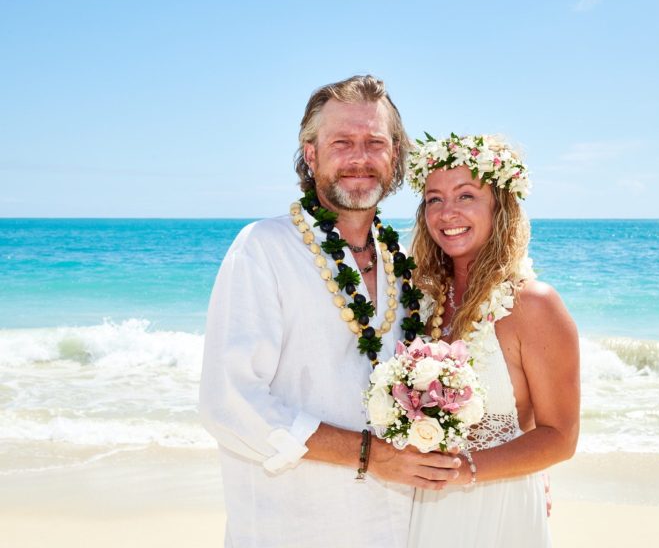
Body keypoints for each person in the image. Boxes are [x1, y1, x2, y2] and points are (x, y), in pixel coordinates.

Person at [198, 76, 461, 548]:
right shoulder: (263, 249)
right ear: (312, 153)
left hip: (397, 524)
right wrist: (370, 455)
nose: (359, 157)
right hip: (294, 523)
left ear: (395, 155)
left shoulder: (407, 257)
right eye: (342, 142)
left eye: (375, 142)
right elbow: (229, 403)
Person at [405, 133, 580, 547]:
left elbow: (561, 437)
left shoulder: (533, 304)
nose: (447, 213)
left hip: (499, 512)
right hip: (422, 507)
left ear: (499, 206)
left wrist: (466, 470)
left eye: (466, 196)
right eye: (433, 199)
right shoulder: (423, 302)